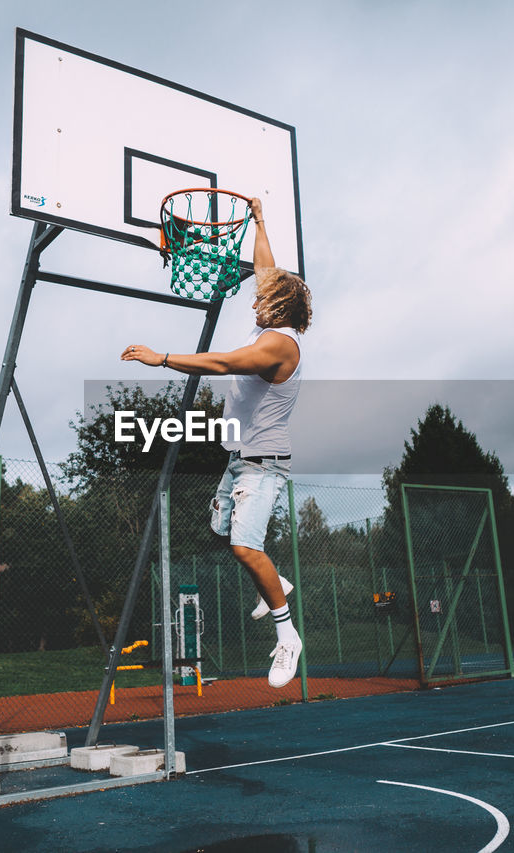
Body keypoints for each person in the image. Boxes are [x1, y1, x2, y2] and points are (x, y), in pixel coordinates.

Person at [121, 196, 312, 688]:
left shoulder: (277, 345)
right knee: (226, 533)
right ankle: (276, 581)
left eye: (260, 298)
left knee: (246, 547)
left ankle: (287, 634)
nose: (253, 299)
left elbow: (223, 364)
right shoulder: (271, 318)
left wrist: (161, 358)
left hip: (263, 464)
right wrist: (261, 220)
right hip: (238, 459)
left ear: (277, 307)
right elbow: (266, 269)